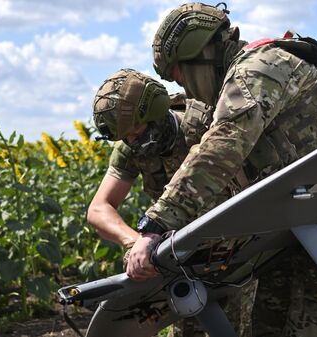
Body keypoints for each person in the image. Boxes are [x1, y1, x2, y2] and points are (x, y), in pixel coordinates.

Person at [127, 2, 317, 336]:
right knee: (268, 321)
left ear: (201, 55)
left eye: (179, 74)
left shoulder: (257, 70)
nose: (184, 88)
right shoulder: (238, 79)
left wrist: (155, 224)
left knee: (305, 321)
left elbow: (220, 150)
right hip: (298, 208)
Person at [88, 68, 241, 336]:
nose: (132, 143)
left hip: (236, 253)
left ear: (155, 114)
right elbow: (99, 209)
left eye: (136, 133)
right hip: (181, 259)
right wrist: (136, 241)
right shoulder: (129, 145)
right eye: (126, 138)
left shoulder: (206, 125)